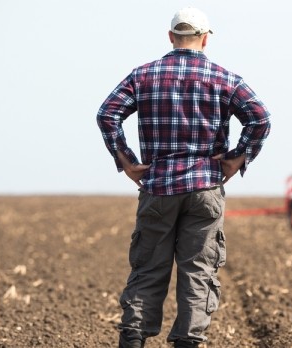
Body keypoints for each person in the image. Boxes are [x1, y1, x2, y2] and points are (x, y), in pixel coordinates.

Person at [96, 7, 271, 348]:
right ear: (206, 38)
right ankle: (188, 341)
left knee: (148, 268)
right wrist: (237, 158)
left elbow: (107, 114)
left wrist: (128, 162)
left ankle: (133, 339)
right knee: (198, 271)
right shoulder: (225, 78)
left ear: (171, 37)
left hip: (158, 186)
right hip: (206, 186)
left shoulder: (142, 76)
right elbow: (260, 118)